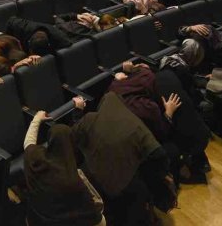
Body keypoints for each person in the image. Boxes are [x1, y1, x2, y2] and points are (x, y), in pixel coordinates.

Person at [73, 92, 176, 225]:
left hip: (100, 185)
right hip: (130, 184)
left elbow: (74, 133)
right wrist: (161, 175)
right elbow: (159, 153)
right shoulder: (134, 123)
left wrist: (78, 111)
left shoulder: (90, 119)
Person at [24, 114, 105, 226]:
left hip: (35, 221)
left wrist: (37, 119)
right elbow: (98, 220)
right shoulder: (75, 181)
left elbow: (28, 142)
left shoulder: (34, 160)